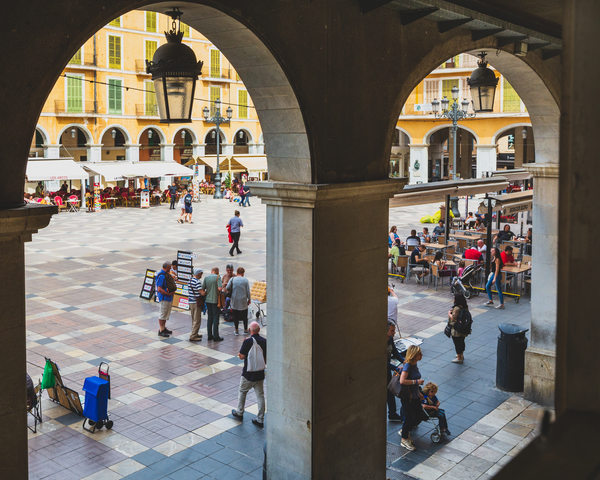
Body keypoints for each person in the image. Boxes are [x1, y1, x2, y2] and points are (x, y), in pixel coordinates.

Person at [231, 321, 266, 427]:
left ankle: (239, 412)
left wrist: (239, 353)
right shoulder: (265, 341)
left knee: (242, 391)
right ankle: (260, 419)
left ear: (250, 330)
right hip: (260, 373)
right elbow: (266, 358)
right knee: (260, 395)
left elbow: (241, 356)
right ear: (259, 330)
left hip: (248, 374)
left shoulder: (248, 342)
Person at [397, 345, 425, 452]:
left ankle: (405, 430)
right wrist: (416, 382)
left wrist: (418, 391)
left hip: (415, 395)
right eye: (419, 353)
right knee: (409, 417)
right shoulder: (408, 365)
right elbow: (402, 381)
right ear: (414, 355)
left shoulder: (414, 364)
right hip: (407, 397)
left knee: (419, 415)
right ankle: (404, 439)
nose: (421, 355)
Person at [386, 321, 404, 422]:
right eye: (392, 330)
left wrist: (404, 360)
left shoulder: (390, 339)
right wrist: (396, 368)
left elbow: (395, 352)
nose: (394, 332)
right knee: (388, 390)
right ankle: (392, 413)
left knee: (390, 390)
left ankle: (392, 413)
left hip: (387, 368)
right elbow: (381, 361)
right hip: (382, 369)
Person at [227, 267, 251, 335]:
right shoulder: (245, 280)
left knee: (235, 315)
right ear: (243, 273)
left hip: (235, 299)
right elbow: (248, 291)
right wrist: (249, 299)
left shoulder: (232, 279)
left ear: (237, 272)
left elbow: (227, 287)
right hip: (243, 300)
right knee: (244, 315)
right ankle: (245, 329)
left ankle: (236, 330)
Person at [201, 267, 223, 341]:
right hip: (215, 300)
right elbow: (220, 288)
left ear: (211, 271)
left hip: (208, 300)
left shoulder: (206, 278)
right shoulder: (218, 277)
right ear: (217, 271)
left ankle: (209, 335)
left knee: (210, 317)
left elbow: (203, 288)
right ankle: (215, 336)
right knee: (215, 318)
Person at [155, 261, 176, 337]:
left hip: (168, 297)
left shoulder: (166, 274)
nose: (171, 268)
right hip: (164, 298)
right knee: (162, 314)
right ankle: (161, 330)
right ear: (167, 267)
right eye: (170, 267)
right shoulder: (161, 276)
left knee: (166, 314)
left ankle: (163, 328)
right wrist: (168, 294)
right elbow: (159, 289)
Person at [448, 293, 470, 363]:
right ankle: (461, 354)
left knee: (457, 343)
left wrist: (449, 314)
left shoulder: (457, 308)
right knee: (462, 342)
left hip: (457, 329)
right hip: (464, 328)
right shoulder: (465, 307)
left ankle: (459, 357)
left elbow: (454, 318)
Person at [188, 268, 204, 341]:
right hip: (196, 302)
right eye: (201, 273)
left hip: (191, 301)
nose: (202, 274)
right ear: (199, 274)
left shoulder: (190, 280)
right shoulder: (197, 282)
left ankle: (195, 332)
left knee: (193, 319)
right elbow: (202, 293)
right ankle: (193, 336)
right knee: (197, 320)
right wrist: (206, 291)